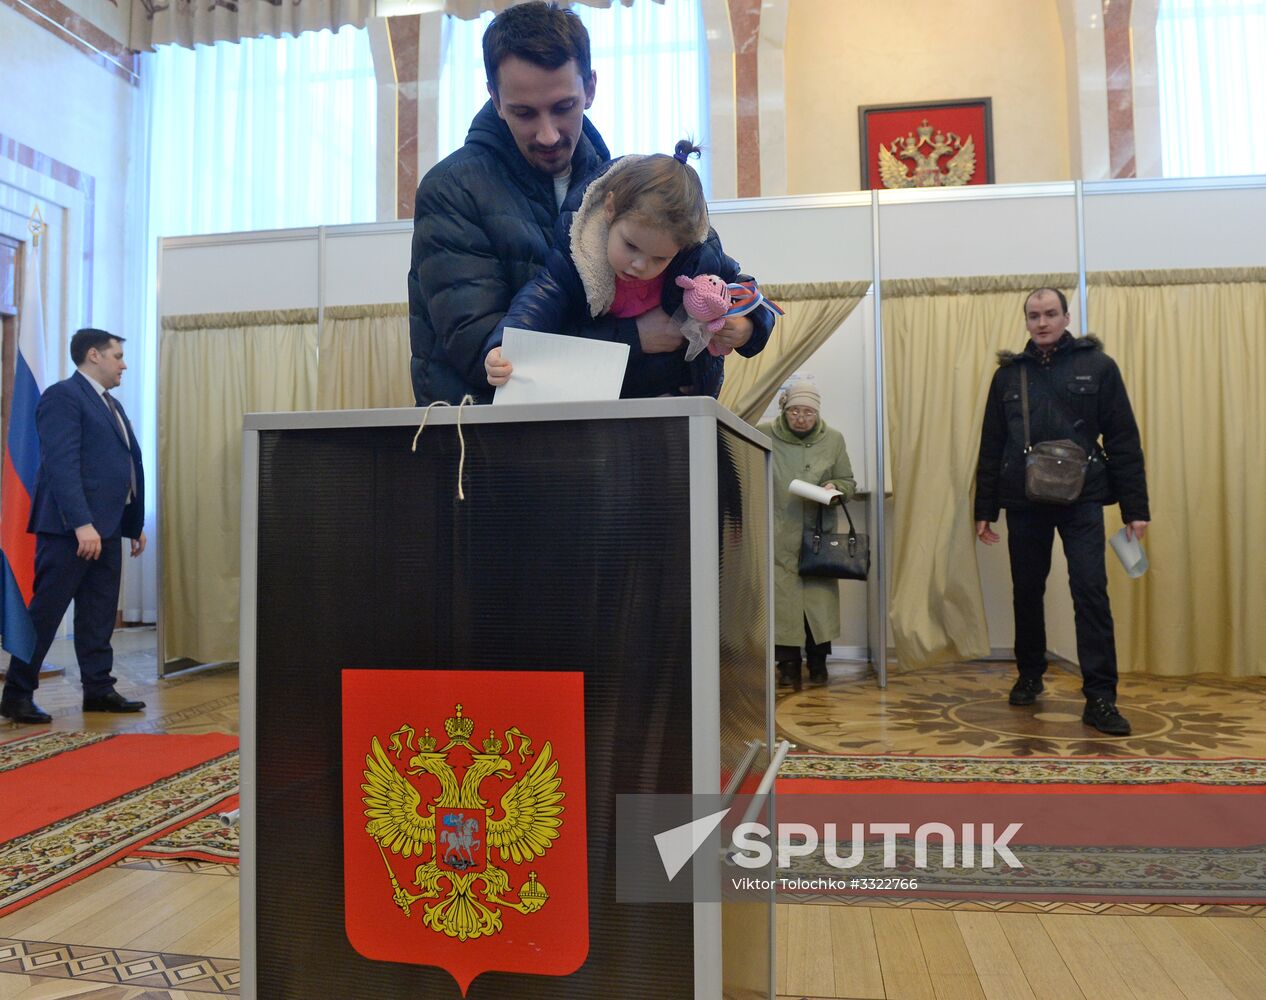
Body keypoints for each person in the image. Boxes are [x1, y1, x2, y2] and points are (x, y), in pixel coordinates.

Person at [408, 1, 690, 405]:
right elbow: (486, 354)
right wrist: (634, 338)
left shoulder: (616, 186)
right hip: (481, 435)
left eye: (563, 108)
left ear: (590, 89)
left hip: (589, 429)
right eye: (524, 113)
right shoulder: (452, 190)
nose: (548, 135)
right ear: (495, 99)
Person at [974, 288, 1149, 737]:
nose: (1042, 322)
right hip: (1023, 498)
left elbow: (1123, 439)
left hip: (1083, 498)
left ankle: (1101, 697)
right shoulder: (1008, 376)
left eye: (1051, 313)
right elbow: (992, 445)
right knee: (1026, 590)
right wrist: (985, 508)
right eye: (1034, 315)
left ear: (1066, 317)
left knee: (1090, 591)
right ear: (1026, 321)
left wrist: (1135, 509)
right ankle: (1029, 674)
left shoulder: (1099, 366)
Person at [483, 141, 772, 398]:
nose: (640, 265)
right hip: (605, 398)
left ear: (682, 248)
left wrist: (749, 327)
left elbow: (752, 296)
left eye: (659, 258)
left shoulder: (699, 260)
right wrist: (503, 346)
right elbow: (537, 303)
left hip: (681, 397)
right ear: (610, 208)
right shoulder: (577, 259)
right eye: (631, 245)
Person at [0, 329, 147, 724]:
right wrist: (81, 523)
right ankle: (17, 694)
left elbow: (121, 466)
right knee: (45, 614)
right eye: (117, 356)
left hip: (106, 528)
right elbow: (61, 464)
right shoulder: (63, 397)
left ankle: (98, 689)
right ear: (94, 355)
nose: (124, 364)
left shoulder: (109, 403)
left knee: (98, 614)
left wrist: (131, 523)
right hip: (70, 531)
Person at [759, 379, 856, 691]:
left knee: (818, 600)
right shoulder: (763, 434)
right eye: (795, 412)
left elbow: (847, 481)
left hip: (818, 533)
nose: (801, 418)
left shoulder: (834, 439)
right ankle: (787, 665)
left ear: (818, 413)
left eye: (808, 413)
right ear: (784, 410)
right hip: (779, 531)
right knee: (783, 601)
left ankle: (818, 662)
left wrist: (836, 488)